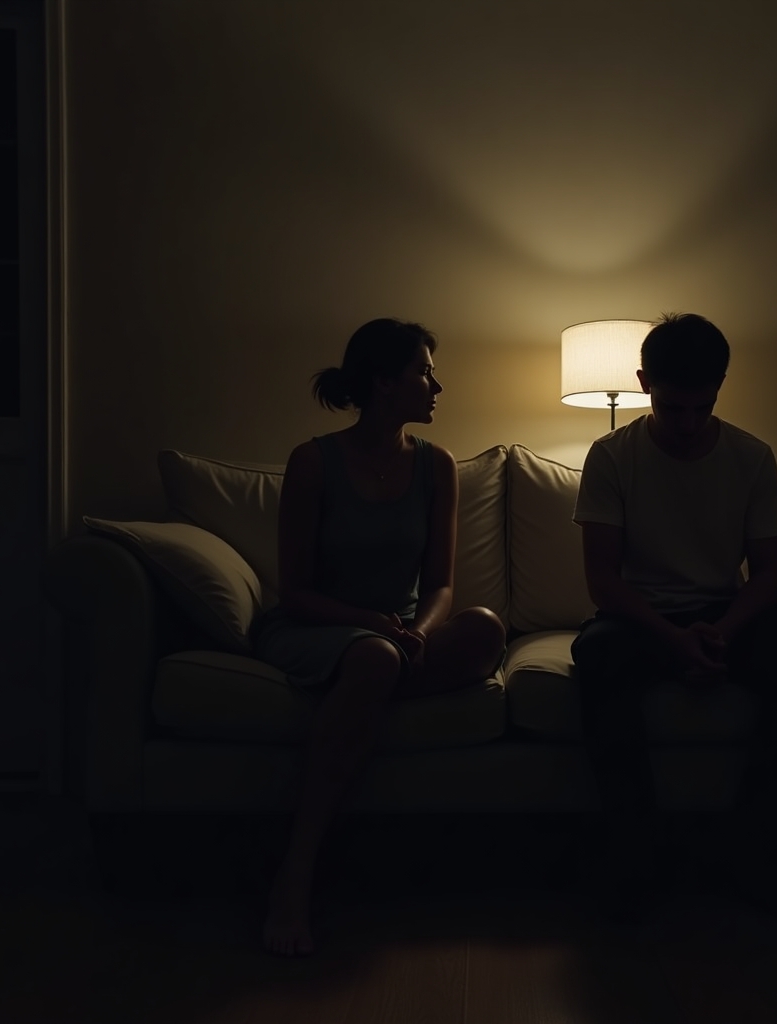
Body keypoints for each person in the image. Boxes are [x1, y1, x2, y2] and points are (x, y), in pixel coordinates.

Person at [571, 312, 777, 925]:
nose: (688, 424)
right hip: (641, 618)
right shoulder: (611, 456)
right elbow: (603, 579)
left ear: (720, 387)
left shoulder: (751, 456)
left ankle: (756, 849)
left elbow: (767, 574)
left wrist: (721, 634)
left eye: (703, 407)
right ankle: (636, 856)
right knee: (598, 655)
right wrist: (673, 640)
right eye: (672, 408)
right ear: (644, 384)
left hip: (725, 613)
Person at [254, 318, 506, 956]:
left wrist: (417, 632)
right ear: (384, 382)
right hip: (318, 627)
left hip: (397, 637)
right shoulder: (313, 462)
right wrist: (370, 626)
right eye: (425, 372)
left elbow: (441, 586)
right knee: (372, 658)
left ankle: (359, 699)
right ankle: (295, 875)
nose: (437, 386)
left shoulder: (437, 466)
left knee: (483, 628)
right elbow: (295, 592)